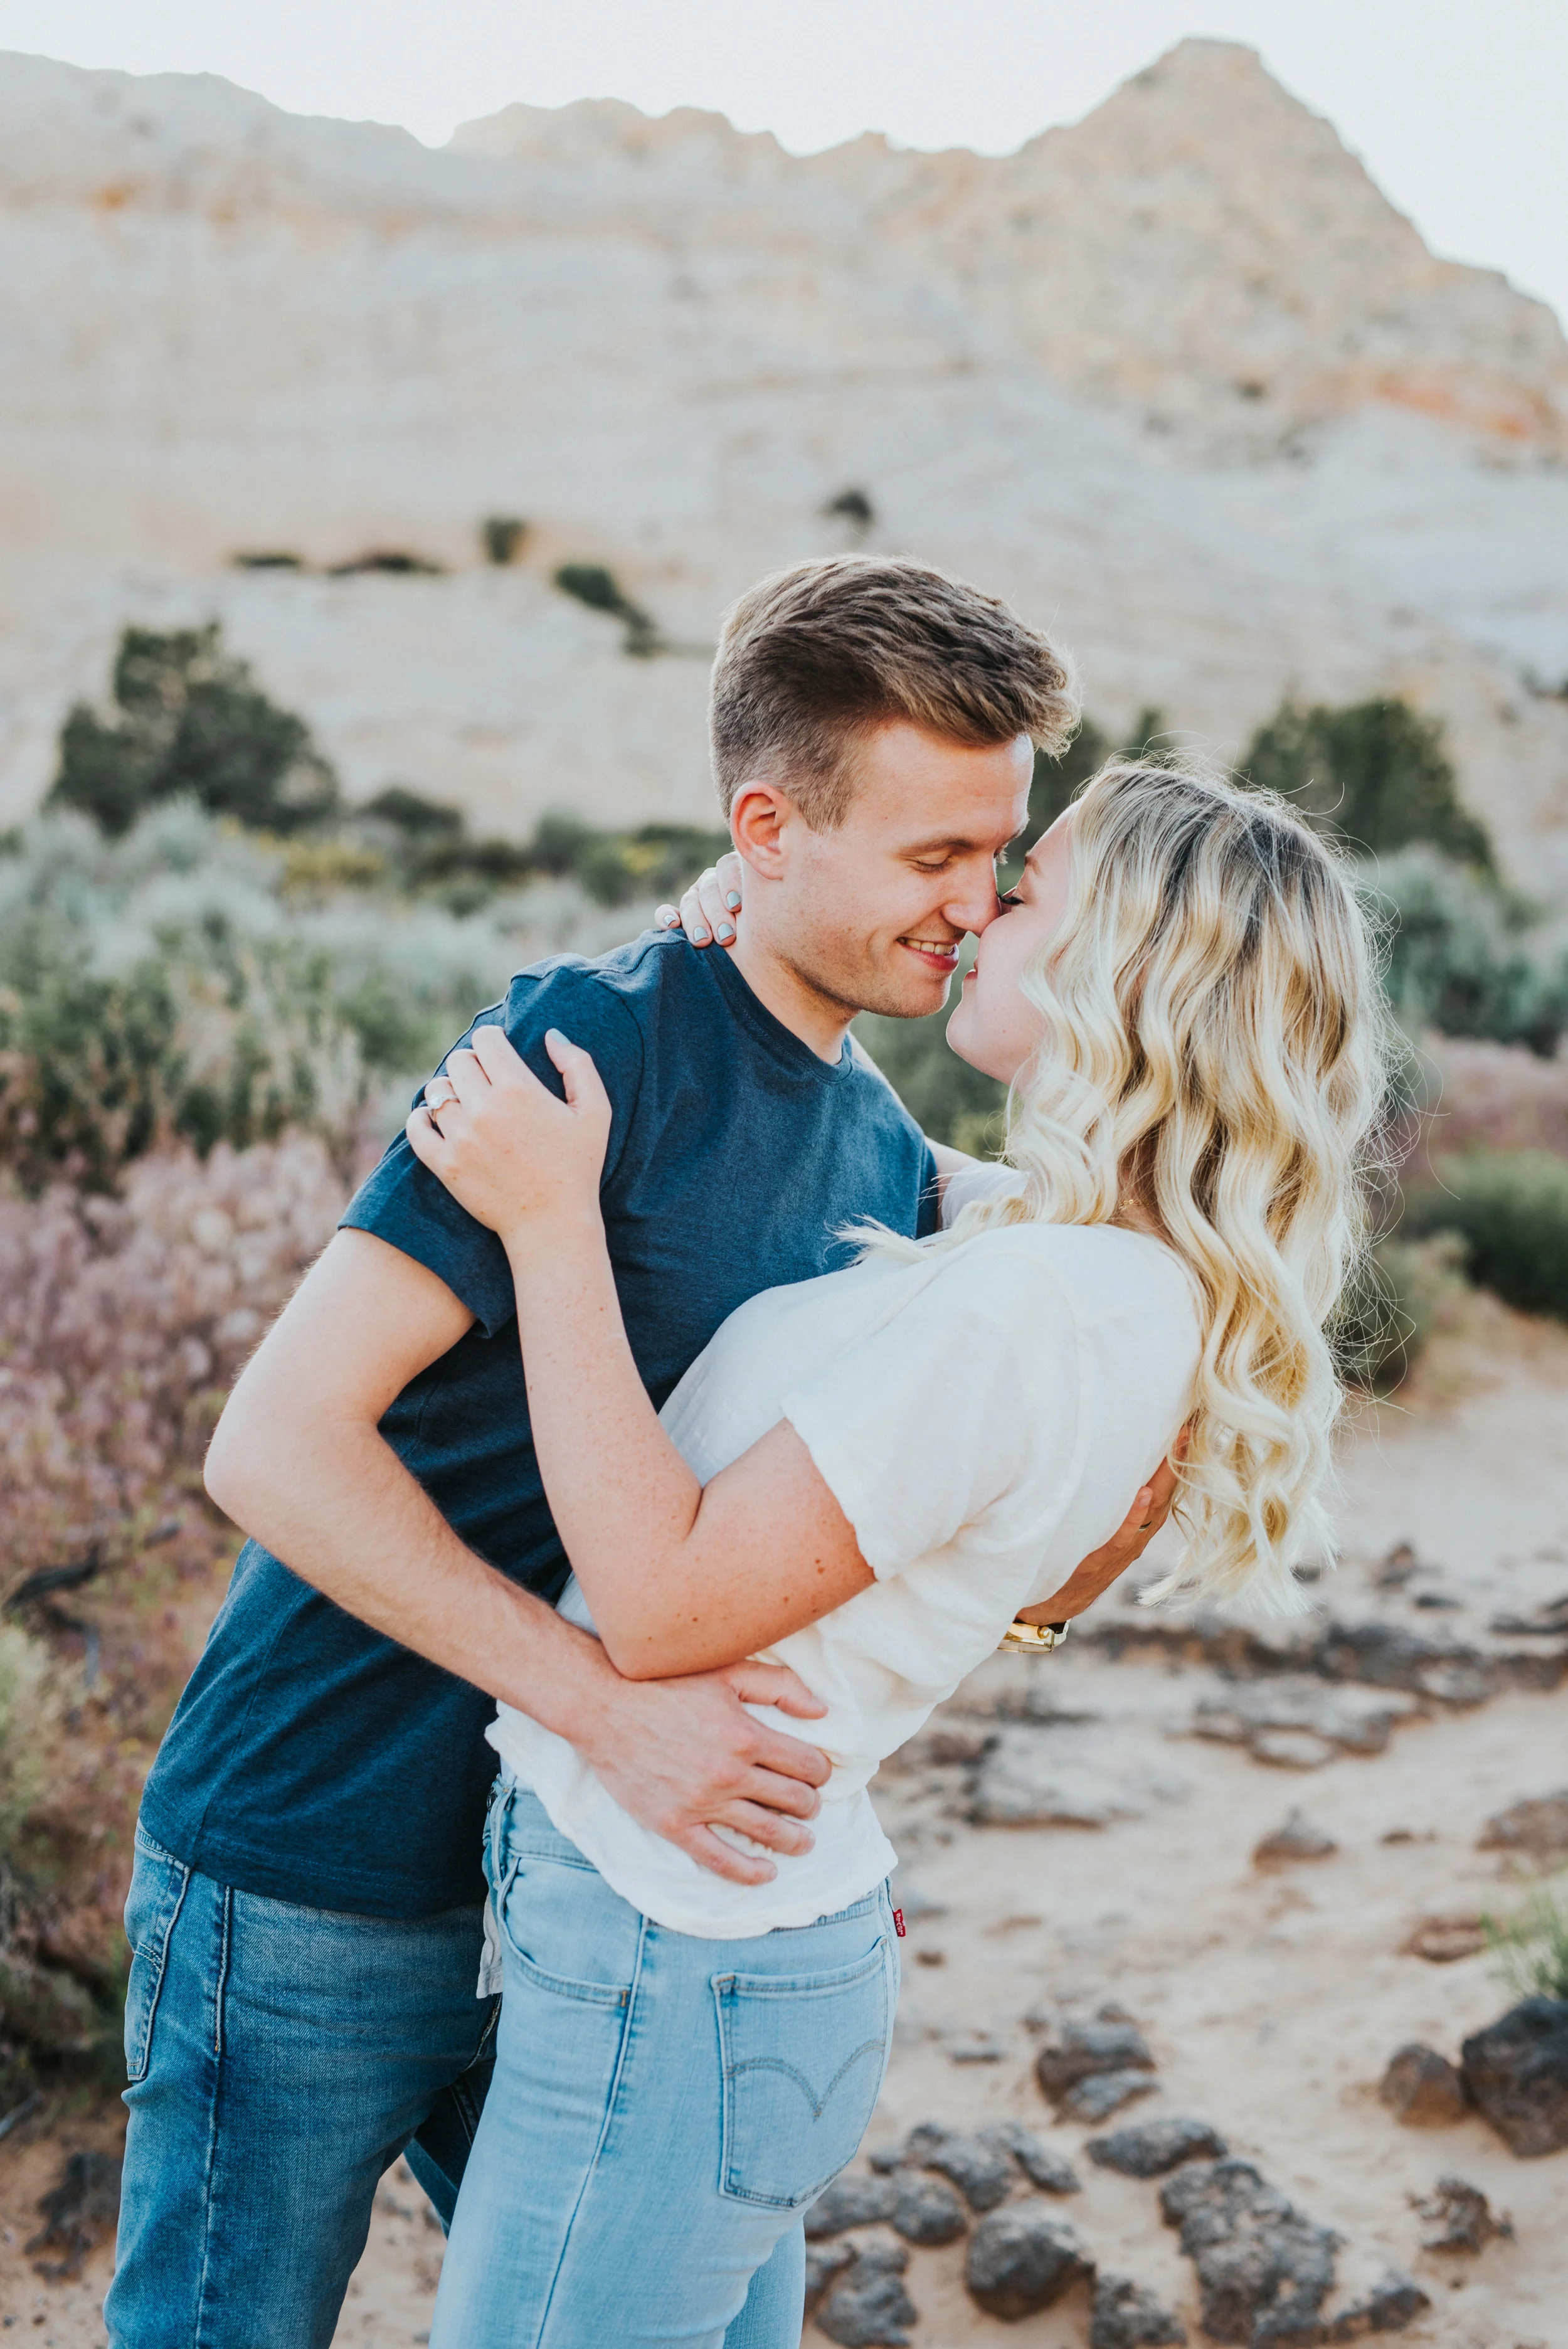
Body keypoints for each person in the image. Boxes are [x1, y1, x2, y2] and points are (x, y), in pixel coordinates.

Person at [105, 556, 1175, 2349]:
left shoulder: (887, 1156)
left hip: (592, 1915)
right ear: (767, 827)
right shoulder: (586, 1048)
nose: (976, 908)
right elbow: (274, 1445)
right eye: (929, 860)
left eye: (997, 857)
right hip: (310, 1870)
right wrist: (611, 1704)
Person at [406, 754, 1387, 2348]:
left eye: (1028, 886)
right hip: (742, 1948)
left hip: (682, 1962)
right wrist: (757, 958)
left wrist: (546, 1218)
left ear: (1119, 966)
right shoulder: (1104, 1272)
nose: (982, 910)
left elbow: (656, 1607)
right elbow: (892, 1174)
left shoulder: (1029, 1310)